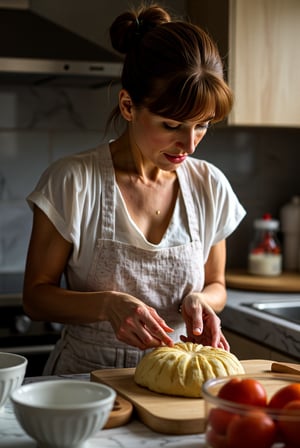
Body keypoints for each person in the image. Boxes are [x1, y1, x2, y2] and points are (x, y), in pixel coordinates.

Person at [23, 3, 246, 375]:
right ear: (128, 105)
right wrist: (107, 304)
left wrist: (200, 299)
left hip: (178, 376)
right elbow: (35, 297)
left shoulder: (210, 186)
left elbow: (217, 284)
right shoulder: (73, 181)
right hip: (87, 379)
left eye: (203, 125)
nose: (190, 145)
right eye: (172, 125)